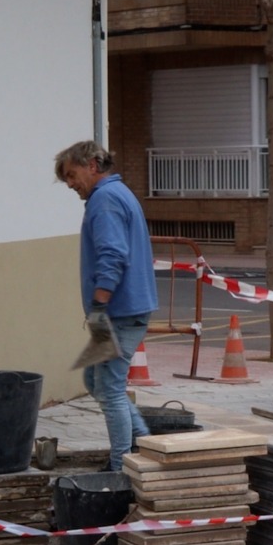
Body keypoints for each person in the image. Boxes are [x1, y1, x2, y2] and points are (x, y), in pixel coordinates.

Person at [54, 140, 159, 471]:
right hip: (120, 310)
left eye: (72, 175)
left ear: (92, 166)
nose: (71, 184)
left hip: (118, 311)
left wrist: (100, 301)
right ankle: (143, 443)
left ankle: (121, 467)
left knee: (111, 389)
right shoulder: (117, 193)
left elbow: (112, 254)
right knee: (93, 381)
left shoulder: (106, 200)